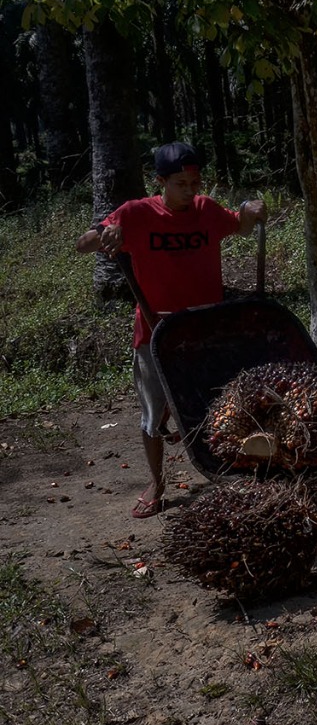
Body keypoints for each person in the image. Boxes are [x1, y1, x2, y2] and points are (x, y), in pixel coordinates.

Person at [75, 142, 266, 519]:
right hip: (156, 330)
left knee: (220, 403)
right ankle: (157, 483)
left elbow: (241, 226)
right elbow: (83, 244)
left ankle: (233, 471)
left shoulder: (206, 211)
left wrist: (249, 210)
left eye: (195, 182)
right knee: (153, 412)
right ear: (160, 181)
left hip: (205, 330)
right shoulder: (136, 214)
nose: (190, 190)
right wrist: (107, 232)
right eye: (181, 182)